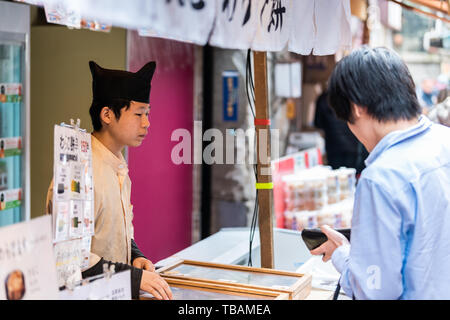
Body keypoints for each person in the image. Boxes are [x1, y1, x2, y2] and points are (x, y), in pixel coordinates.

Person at [309, 46, 450, 299]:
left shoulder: (381, 178)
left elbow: (376, 291)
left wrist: (342, 254)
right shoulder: (445, 140)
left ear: (357, 107)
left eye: (347, 120)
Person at [46, 61, 173, 300]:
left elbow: (114, 232)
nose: (146, 123)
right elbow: (68, 257)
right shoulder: (79, 169)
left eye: (147, 114)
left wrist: (135, 255)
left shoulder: (117, 164)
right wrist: (134, 278)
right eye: (138, 114)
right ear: (107, 114)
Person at [314, 88, 368, 175]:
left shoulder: (323, 98)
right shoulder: (356, 96)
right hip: (355, 150)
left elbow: (318, 124)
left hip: (334, 150)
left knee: (337, 181)